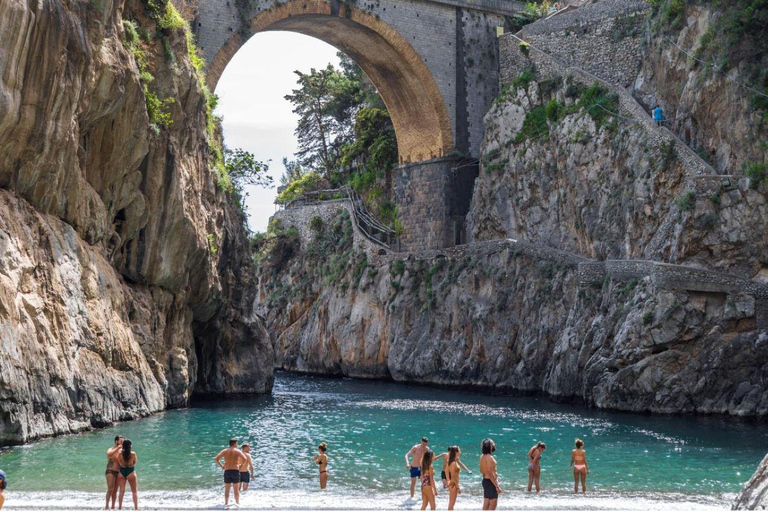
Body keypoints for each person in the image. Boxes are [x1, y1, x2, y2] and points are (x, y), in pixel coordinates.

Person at [214, 439, 246, 507]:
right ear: (234, 444)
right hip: (235, 471)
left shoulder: (225, 451)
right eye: (236, 443)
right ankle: (237, 503)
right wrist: (241, 465)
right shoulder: (237, 451)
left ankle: (226, 503)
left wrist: (222, 466)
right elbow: (245, 459)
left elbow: (216, 459)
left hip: (227, 471)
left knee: (227, 489)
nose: (237, 445)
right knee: (236, 489)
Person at [116, 439, 138, 510]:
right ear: (130, 446)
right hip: (130, 471)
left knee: (121, 490)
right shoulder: (133, 454)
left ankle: (119, 507)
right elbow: (135, 462)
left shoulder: (120, 454)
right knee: (134, 491)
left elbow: (119, 462)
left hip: (122, 471)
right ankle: (136, 508)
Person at [479, 439, 501, 510]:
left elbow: (482, 470)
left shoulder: (482, 456)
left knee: (486, 503)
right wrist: (497, 486)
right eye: (493, 443)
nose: (494, 444)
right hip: (491, 482)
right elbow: (490, 473)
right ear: (490, 446)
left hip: (485, 481)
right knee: (492, 505)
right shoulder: (490, 458)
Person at [445, 446, 467, 511]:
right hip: (454, 485)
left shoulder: (452, 461)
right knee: (451, 504)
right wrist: (458, 487)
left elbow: (446, 471)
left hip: (452, 484)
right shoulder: (454, 463)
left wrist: (448, 480)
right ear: (456, 452)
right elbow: (454, 477)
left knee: (451, 504)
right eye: (459, 451)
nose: (460, 452)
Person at [106, 435, 124, 510]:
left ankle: (113, 506)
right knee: (110, 489)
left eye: (123, 441)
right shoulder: (111, 449)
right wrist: (118, 448)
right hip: (110, 471)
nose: (122, 443)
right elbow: (109, 454)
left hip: (118, 472)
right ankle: (106, 506)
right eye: (121, 441)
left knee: (115, 490)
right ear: (116, 441)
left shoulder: (122, 451)